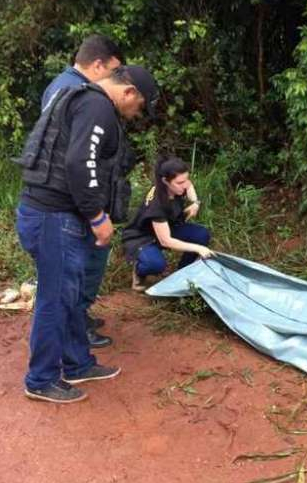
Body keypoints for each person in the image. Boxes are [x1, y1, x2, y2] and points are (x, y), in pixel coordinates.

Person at [15, 65, 160, 404]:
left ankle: (77, 363)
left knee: (71, 294)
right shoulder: (97, 106)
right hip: (54, 216)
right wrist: (97, 216)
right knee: (56, 298)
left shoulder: (85, 101)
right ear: (129, 93)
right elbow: (80, 163)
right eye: (139, 107)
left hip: (58, 215)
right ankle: (40, 380)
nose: (135, 114)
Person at [42, 35, 124, 348]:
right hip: (69, 202)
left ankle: (79, 321)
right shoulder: (77, 91)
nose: (115, 79)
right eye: (113, 71)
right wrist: (93, 210)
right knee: (82, 267)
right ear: (98, 65)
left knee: (82, 267)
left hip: (68, 198)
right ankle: (76, 330)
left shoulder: (62, 84)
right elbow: (77, 157)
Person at [122, 157, 214, 291]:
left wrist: (195, 203)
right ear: (166, 181)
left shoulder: (176, 186)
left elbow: (189, 185)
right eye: (180, 182)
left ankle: (182, 274)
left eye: (186, 179)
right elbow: (166, 241)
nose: (185, 185)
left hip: (167, 228)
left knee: (201, 234)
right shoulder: (158, 204)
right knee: (155, 265)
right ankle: (139, 271)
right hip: (143, 238)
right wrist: (198, 248)